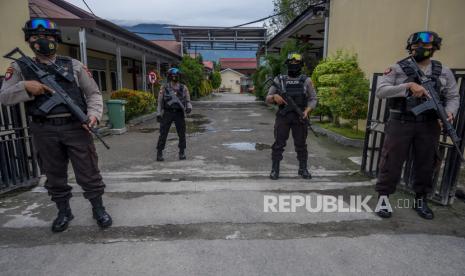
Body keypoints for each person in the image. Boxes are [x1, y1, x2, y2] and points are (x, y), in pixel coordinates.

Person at [0, 18, 112, 232]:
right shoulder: (19, 67)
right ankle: (64, 212)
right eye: (36, 37)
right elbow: (4, 97)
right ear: (28, 40)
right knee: (54, 175)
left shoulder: (74, 65)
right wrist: (25, 86)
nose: (42, 41)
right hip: (44, 129)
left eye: (48, 37)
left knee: (88, 173)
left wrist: (94, 116)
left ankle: (98, 209)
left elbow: (94, 94)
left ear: (56, 39)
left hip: (76, 127)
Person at [375, 31, 460, 220]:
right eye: (416, 47)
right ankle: (383, 198)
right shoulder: (397, 68)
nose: (421, 50)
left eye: (427, 47)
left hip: (429, 125)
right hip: (401, 122)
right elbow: (380, 91)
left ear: (434, 49)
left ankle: (421, 199)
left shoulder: (443, 71)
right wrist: (407, 87)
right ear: (410, 48)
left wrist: (449, 112)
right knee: (392, 161)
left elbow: (453, 97)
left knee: (426, 163)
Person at [265, 53, 317, 180]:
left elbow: (313, 99)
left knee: (301, 144)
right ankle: (275, 169)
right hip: (283, 117)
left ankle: (303, 169)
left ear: (301, 65)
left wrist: (307, 111)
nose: (293, 66)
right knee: (279, 143)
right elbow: (267, 98)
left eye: (296, 64)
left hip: (300, 117)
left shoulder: (306, 80)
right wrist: (274, 97)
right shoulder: (279, 80)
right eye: (291, 63)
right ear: (287, 64)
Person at [156, 67, 192, 161]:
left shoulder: (183, 88)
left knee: (182, 134)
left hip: (179, 113)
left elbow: (188, 101)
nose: (174, 77)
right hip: (167, 112)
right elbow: (160, 102)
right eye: (172, 75)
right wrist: (158, 113)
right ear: (169, 76)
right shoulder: (164, 87)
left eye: (176, 76)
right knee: (163, 133)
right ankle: (159, 152)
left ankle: (182, 152)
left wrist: (189, 107)